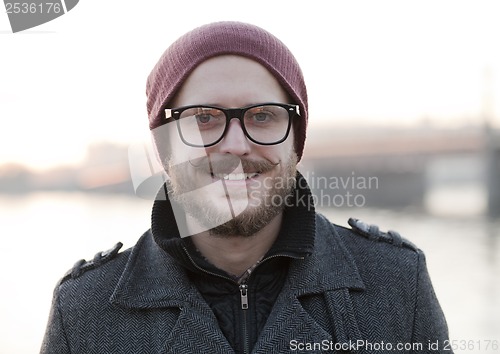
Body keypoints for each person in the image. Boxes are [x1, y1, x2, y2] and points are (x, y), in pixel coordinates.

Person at [40, 21, 452, 353]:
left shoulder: (398, 283)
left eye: (262, 116)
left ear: (296, 139)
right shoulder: (83, 310)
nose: (235, 145)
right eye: (203, 118)